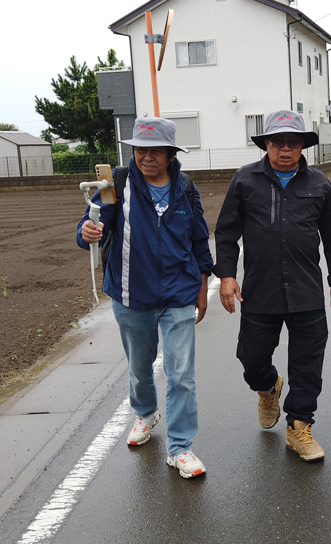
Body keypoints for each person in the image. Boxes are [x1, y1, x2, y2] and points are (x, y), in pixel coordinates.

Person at [76, 117, 212, 479]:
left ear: (170, 154)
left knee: (181, 372)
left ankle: (180, 447)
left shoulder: (184, 187)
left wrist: (202, 285)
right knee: (140, 366)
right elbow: (87, 223)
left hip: (179, 293)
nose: (146, 156)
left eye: (154, 150)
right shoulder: (114, 185)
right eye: (140, 149)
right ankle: (146, 412)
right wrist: (86, 231)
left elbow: (199, 238)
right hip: (130, 293)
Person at [213, 110, 331, 462]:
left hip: (306, 290)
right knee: (251, 357)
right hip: (260, 289)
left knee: (308, 363)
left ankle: (299, 427)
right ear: (267, 145)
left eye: (292, 142)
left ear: (303, 145)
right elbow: (227, 232)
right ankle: (268, 386)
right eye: (278, 142)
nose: (285, 149)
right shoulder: (245, 181)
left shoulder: (319, 184)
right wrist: (227, 275)